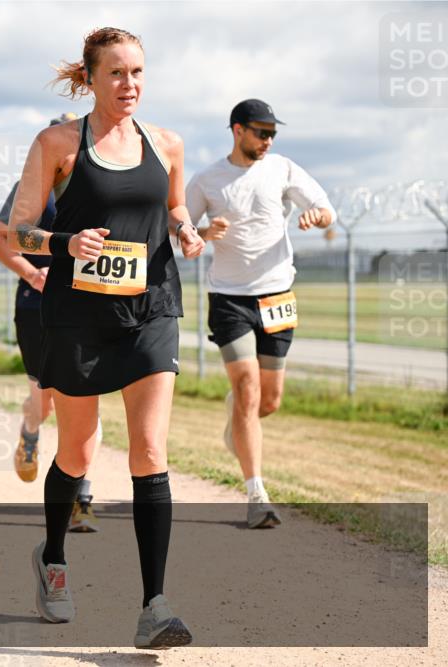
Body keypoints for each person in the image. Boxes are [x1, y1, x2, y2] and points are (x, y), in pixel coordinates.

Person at [7, 27, 204, 649]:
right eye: (117, 74)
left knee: (148, 451)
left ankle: (155, 606)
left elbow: (173, 208)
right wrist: (67, 243)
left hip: (151, 308)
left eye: (138, 73)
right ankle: (54, 558)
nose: (130, 85)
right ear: (89, 79)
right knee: (79, 455)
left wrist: (188, 231)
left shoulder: (166, 143)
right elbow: (19, 233)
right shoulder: (59, 143)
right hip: (77, 316)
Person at [185, 99, 336, 529]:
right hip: (229, 298)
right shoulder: (208, 179)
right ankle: (257, 495)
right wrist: (202, 232)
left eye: (273, 133)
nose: (268, 140)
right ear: (237, 130)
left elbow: (327, 210)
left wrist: (317, 215)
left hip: (277, 296)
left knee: (267, 401)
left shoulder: (283, 168)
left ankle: (238, 417)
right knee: (248, 387)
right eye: (261, 132)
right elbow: (179, 233)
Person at [0, 112, 100, 534]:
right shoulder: (30, 187)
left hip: (89, 307)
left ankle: (82, 497)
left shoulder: (99, 184)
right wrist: (34, 274)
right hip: (37, 306)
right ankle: (31, 431)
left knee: (87, 397)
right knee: (45, 399)